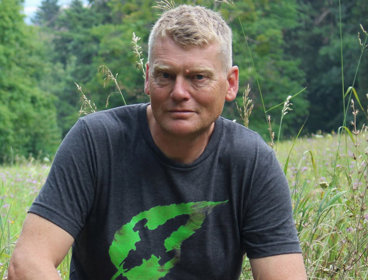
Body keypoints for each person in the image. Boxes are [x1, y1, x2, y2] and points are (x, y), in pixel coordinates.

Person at [8, 4, 307, 280]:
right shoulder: (95, 142)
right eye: (166, 75)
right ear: (148, 78)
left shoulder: (251, 161)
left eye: (198, 77)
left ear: (230, 84)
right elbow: (27, 263)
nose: (179, 92)